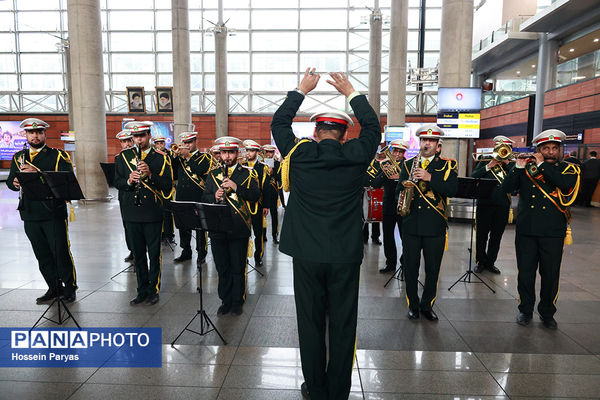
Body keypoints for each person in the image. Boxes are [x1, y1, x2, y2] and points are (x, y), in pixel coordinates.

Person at [271, 68, 380, 400]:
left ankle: (315, 388)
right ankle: (339, 390)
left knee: (311, 322)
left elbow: (278, 124)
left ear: (316, 133)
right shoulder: (356, 156)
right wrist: (351, 93)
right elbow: (374, 128)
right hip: (344, 254)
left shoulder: (300, 155)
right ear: (345, 136)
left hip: (306, 254)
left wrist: (301, 90)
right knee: (343, 323)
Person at [502, 129, 580, 329]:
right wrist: (518, 168)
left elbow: (563, 184)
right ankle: (525, 310)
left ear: (560, 150)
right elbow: (506, 189)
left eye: (555, 148)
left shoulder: (569, 170)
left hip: (553, 231)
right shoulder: (526, 168)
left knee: (550, 274)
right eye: (546, 148)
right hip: (527, 230)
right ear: (538, 149)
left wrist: (541, 164)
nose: (551, 152)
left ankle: (547, 313)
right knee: (525, 273)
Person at [6, 118, 78, 303]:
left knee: (60, 251)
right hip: (29, 212)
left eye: (39, 132)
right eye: (31, 133)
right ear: (26, 135)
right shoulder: (18, 157)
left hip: (52, 212)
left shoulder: (58, 156)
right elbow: (10, 181)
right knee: (42, 254)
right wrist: (14, 183)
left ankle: (69, 287)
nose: (35, 136)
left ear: (45, 134)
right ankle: (53, 287)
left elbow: (65, 181)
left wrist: (36, 173)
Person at [395, 124, 458, 321]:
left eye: (431, 141)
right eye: (423, 140)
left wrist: (430, 178)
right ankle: (412, 305)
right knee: (411, 268)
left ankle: (427, 304)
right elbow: (399, 189)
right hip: (411, 224)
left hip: (434, 225)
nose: (426, 143)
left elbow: (452, 189)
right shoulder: (407, 165)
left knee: (432, 269)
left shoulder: (448, 165)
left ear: (438, 146)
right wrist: (404, 196)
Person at [115, 121, 173, 306]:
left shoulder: (161, 157)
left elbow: (167, 185)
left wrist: (150, 175)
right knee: (138, 255)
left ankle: (153, 289)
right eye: (135, 136)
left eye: (142, 136)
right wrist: (129, 181)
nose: (138, 140)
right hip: (132, 212)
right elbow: (117, 182)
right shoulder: (123, 157)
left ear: (149, 135)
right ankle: (141, 290)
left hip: (152, 212)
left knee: (154, 254)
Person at [201, 136, 260, 316]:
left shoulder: (248, 173)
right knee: (222, 267)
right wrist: (215, 197)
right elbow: (205, 198)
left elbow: (255, 195)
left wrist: (235, 186)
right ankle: (225, 300)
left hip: (238, 227)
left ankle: (237, 300)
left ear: (237, 153)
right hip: (218, 228)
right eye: (224, 153)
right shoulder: (213, 174)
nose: (227, 156)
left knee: (237, 266)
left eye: (231, 152)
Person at [471, 135, 515, 274]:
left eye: (505, 148)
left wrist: (507, 163)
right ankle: (480, 262)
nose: (502, 151)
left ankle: (491, 262)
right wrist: (489, 166)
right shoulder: (486, 161)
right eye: (499, 148)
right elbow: (474, 176)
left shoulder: (512, 165)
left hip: (502, 206)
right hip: (485, 204)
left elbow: (516, 181)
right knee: (481, 235)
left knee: (496, 237)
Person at [172, 131, 214, 266]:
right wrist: (174, 156)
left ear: (196, 142)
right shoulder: (179, 158)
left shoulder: (205, 157)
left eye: (189, 142)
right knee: (183, 226)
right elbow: (171, 173)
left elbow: (199, 170)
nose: (186, 145)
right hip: (182, 196)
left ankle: (201, 252)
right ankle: (186, 251)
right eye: (184, 143)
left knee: (200, 227)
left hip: (198, 197)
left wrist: (189, 157)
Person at [372, 139, 408, 273]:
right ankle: (390, 263)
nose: (397, 154)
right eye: (395, 151)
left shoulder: (408, 165)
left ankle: (405, 263)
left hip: (404, 205)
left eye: (400, 151)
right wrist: (384, 174)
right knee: (388, 236)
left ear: (404, 153)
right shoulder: (383, 165)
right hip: (388, 206)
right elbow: (375, 184)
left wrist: (401, 177)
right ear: (391, 152)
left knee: (406, 237)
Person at [243, 139, 272, 268]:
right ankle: (243, 255)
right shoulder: (241, 165)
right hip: (243, 204)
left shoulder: (262, 167)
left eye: (251, 151)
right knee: (243, 232)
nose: (248, 153)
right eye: (247, 150)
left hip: (257, 205)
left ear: (257, 152)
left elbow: (266, 188)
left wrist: (266, 205)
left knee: (258, 232)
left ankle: (258, 256)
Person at [116, 129, 135, 263]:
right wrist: (127, 182)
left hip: (140, 194)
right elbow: (117, 180)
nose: (127, 144)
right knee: (127, 225)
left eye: (129, 140)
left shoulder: (140, 155)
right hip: (125, 195)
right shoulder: (119, 158)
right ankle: (132, 250)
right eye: (124, 142)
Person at [153, 134, 176, 245]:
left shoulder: (170, 154)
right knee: (158, 212)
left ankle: (169, 234)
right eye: (157, 143)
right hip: (156, 186)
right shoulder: (153, 155)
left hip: (167, 187)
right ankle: (161, 234)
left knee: (167, 212)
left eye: (162, 143)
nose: (160, 145)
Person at [263, 144, 282, 243]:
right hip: (263, 193)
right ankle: (263, 235)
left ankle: (275, 235)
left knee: (274, 215)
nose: (269, 154)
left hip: (273, 192)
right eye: (268, 152)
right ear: (264, 153)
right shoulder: (260, 164)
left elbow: (280, 178)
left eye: (271, 152)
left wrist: (272, 172)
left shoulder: (277, 164)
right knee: (263, 215)